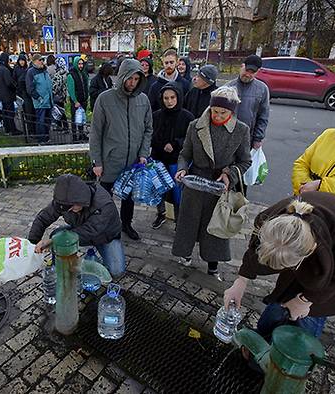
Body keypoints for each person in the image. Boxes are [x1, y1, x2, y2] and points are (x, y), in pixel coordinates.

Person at [223, 192, 335, 339]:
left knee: (314, 309)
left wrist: (305, 301)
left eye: (290, 266)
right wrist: (240, 282)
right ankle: (263, 337)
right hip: (301, 243)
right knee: (286, 292)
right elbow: (254, 250)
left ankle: (296, 346)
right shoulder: (269, 220)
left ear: (310, 251)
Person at [172, 86, 252, 275]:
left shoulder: (241, 130)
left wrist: (229, 174)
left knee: (215, 226)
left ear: (231, 111)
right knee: (188, 223)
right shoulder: (195, 125)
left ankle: (213, 265)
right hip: (195, 183)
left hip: (219, 186)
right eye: (214, 111)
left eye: (222, 112)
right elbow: (185, 154)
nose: (217, 115)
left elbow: (245, 161)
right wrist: (182, 169)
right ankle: (186, 255)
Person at [90, 59, 153, 241]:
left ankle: (126, 224)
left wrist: (143, 154)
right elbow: (95, 133)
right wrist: (97, 161)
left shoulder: (143, 100)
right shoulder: (105, 99)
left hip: (133, 161)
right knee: (104, 199)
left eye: (136, 79)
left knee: (129, 198)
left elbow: (148, 128)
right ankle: (105, 227)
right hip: (110, 160)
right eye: (130, 78)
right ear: (122, 76)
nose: (132, 83)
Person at [28, 174, 126, 277]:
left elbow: (90, 230)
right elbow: (43, 218)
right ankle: (58, 265)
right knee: (56, 234)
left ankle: (95, 259)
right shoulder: (64, 200)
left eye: (71, 207)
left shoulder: (104, 204)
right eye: (66, 208)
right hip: (80, 230)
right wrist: (31, 244)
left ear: (82, 199)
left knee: (117, 271)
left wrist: (53, 241)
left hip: (106, 236)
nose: (69, 210)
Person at [150, 82, 195, 228]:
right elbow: (150, 135)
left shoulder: (187, 116)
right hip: (159, 158)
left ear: (178, 97)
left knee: (177, 192)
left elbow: (191, 139)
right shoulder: (156, 115)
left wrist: (175, 143)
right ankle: (161, 214)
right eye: (166, 98)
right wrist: (162, 144)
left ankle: (179, 220)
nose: (169, 101)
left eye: (172, 97)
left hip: (177, 160)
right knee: (159, 189)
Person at [225, 55, 269, 150]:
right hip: (227, 136)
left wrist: (258, 138)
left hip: (248, 138)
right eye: (246, 70)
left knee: (244, 164)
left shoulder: (262, 89)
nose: (248, 74)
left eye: (252, 72)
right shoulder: (228, 87)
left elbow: (263, 116)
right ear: (242, 66)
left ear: (258, 72)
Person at [26, 54, 54, 143]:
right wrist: (38, 98)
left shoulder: (45, 70)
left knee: (47, 121)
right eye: (40, 60)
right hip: (40, 102)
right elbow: (30, 88)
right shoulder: (31, 72)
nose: (42, 61)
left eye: (42, 59)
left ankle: (46, 137)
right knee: (40, 121)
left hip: (48, 100)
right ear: (34, 61)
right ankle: (41, 139)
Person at [67, 56, 90, 141]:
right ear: (76, 64)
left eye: (82, 64)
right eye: (79, 64)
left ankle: (81, 134)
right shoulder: (71, 75)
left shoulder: (84, 74)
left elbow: (86, 86)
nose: (81, 66)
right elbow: (71, 89)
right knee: (74, 119)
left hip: (83, 100)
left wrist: (87, 97)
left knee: (82, 118)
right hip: (76, 101)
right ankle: (74, 136)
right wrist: (75, 101)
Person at [0, 53, 18, 135]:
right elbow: (9, 83)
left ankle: (7, 129)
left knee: (5, 113)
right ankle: (13, 130)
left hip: (2, 94)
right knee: (10, 113)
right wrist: (15, 87)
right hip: (8, 95)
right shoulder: (5, 70)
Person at [14, 53, 35, 135]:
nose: (22, 62)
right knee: (26, 112)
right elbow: (14, 80)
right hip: (22, 93)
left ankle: (32, 129)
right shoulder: (16, 69)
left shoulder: (28, 69)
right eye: (20, 61)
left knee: (31, 112)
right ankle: (30, 130)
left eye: (23, 60)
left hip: (28, 92)